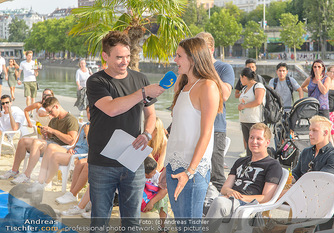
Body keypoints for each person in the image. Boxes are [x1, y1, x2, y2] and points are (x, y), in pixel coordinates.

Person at [86, 30, 165, 233]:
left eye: (128, 56)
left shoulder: (140, 79)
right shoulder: (96, 81)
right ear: (105, 56)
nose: (125, 61)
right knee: (99, 222)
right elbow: (112, 109)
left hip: (133, 161)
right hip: (102, 163)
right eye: (119, 57)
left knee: (132, 223)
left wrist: (147, 134)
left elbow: (150, 116)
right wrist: (144, 92)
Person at [164, 37, 222, 232]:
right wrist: (167, 166)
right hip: (174, 167)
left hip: (192, 172)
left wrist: (189, 172)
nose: (175, 59)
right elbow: (179, 130)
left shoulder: (208, 86)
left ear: (194, 58)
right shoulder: (183, 84)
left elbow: (206, 134)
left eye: (179, 56)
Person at [205, 123, 282, 232]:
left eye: (259, 138)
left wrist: (238, 197)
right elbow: (224, 188)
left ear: (267, 142)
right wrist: (230, 192)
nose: (254, 141)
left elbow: (266, 197)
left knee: (219, 203)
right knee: (204, 192)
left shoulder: (272, 165)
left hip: (247, 203)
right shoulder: (240, 161)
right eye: (251, 137)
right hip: (230, 200)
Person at [0, 97, 79, 184]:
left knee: (36, 142)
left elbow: (71, 140)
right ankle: (14, 171)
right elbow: (49, 137)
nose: (50, 114)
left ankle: (26, 175)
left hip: (62, 148)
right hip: (50, 144)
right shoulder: (54, 119)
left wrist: (53, 131)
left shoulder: (71, 119)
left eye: (50, 112)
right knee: (23, 141)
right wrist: (45, 133)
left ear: (56, 106)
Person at [196, 32, 235, 191]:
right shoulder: (194, 69)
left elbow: (225, 95)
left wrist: (209, 69)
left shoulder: (223, 68)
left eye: (202, 51)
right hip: (196, 126)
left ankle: (219, 210)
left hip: (216, 128)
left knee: (216, 173)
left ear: (211, 50)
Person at [27, 107, 90, 192]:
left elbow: (93, 148)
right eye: (88, 112)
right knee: (51, 147)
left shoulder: (96, 128)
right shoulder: (85, 125)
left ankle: (45, 182)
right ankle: (40, 180)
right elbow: (76, 142)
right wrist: (72, 148)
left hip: (81, 156)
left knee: (55, 156)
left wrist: (87, 133)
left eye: (90, 112)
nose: (89, 114)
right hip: (74, 151)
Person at [292, 115, 334, 182]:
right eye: (310, 130)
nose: (310, 133)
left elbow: (319, 181)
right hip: (302, 188)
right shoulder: (305, 152)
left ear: (325, 132)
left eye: (314, 130)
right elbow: (296, 174)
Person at [238, 68, 266, 157]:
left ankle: (258, 163)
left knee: (256, 145)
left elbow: (258, 101)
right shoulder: (245, 88)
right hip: (244, 120)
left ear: (244, 77)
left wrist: (244, 106)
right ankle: (249, 163)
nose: (240, 80)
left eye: (241, 78)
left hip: (255, 120)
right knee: (248, 144)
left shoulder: (258, 86)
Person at [143, 157, 168, 233]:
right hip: (139, 198)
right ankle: (123, 227)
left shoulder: (156, 174)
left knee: (164, 199)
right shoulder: (136, 175)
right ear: (145, 173)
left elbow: (165, 189)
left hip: (151, 198)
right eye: (153, 172)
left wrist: (151, 202)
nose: (155, 173)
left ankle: (162, 227)